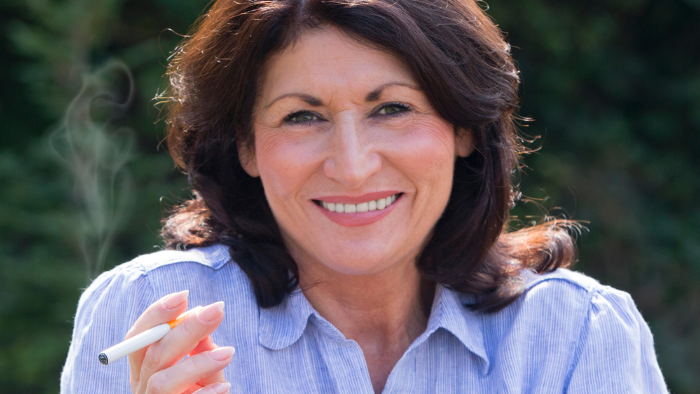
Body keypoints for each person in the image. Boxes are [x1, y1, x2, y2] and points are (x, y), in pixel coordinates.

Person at [60, 0, 669, 392]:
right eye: (302, 117)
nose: (352, 167)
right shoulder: (144, 318)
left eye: (393, 109)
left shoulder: (578, 335)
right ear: (245, 145)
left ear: (463, 128)